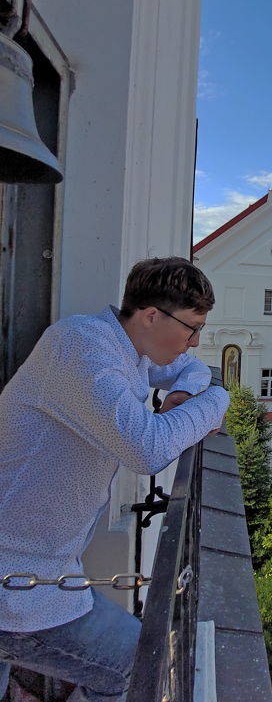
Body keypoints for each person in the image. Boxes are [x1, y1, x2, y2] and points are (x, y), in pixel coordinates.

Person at [0, 257, 230, 702]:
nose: (195, 341)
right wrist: (215, 401)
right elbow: (147, 448)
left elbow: (188, 368)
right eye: (191, 327)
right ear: (150, 316)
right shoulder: (83, 348)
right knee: (138, 661)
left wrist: (189, 391)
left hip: (40, 570)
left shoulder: (124, 349)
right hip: (16, 586)